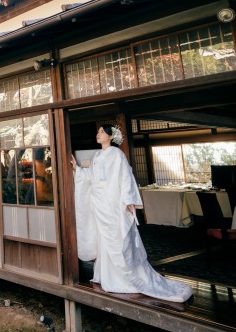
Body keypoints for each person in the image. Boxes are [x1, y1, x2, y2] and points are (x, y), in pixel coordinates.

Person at [70, 125, 192, 303]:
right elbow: (91, 176)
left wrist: (129, 200)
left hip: (112, 204)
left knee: (118, 240)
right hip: (99, 204)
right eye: (97, 132)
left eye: (102, 132)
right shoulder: (97, 155)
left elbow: (126, 176)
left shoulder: (117, 154)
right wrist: (78, 170)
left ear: (111, 136)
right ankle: (108, 277)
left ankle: (126, 278)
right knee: (104, 239)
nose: (98, 134)